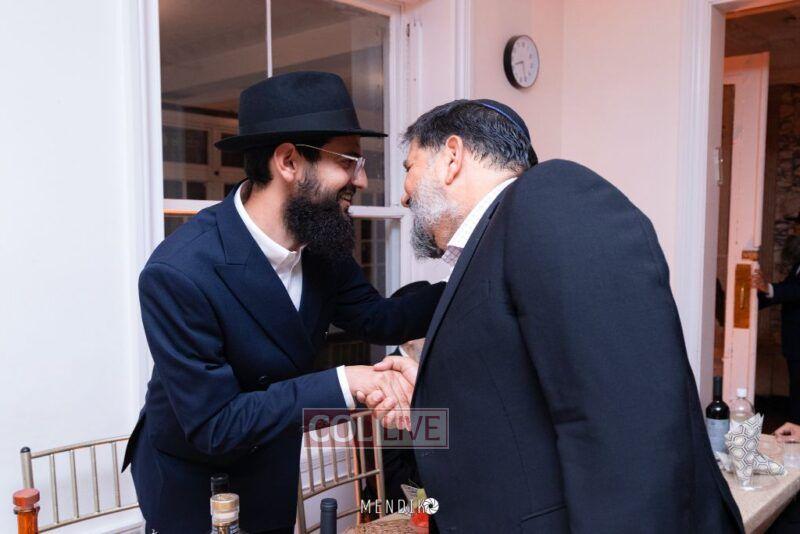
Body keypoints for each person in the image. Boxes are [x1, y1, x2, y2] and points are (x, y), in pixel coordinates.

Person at [365, 99, 744, 532]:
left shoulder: (551, 198)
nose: (404, 194)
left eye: (409, 167)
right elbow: (521, 403)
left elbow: (628, 430)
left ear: (452, 157)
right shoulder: (494, 243)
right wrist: (431, 390)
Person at [122, 72, 444, 534]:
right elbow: (215, 424)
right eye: (348, 160)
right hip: (194, 484)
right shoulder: (179, 273)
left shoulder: (321, 247)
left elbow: (377, 318)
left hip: (271, 465)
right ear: (289, 161)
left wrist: (471, 277)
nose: (362, 179)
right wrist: (347, 381)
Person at [753, 235, 800, 423]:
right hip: (795, 344)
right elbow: (789, 287)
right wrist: (754, 299)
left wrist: (769, 288)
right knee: (796, 392)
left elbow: (795, 291)